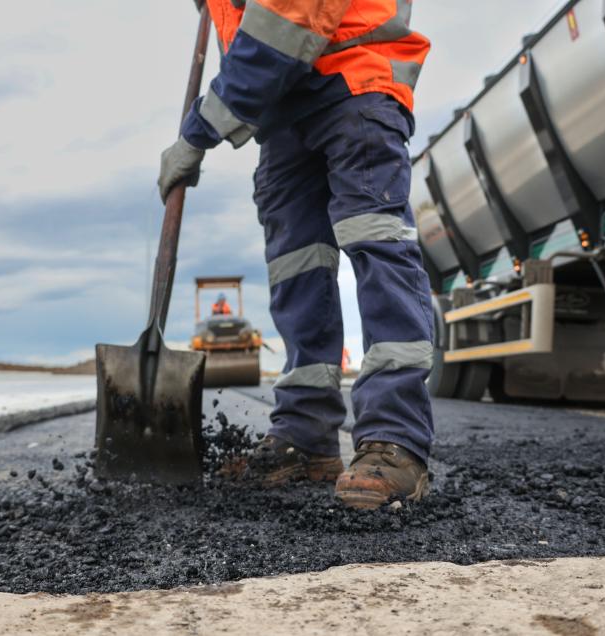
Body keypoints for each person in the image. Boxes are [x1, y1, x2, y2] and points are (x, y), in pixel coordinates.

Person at [159, 0, 435, 510]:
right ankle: (305, 437)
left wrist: (198, 132)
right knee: (296, 271)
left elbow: (286, 22)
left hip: (354, 83)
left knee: (377, 248)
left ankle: (395, 440)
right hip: (284, 117)